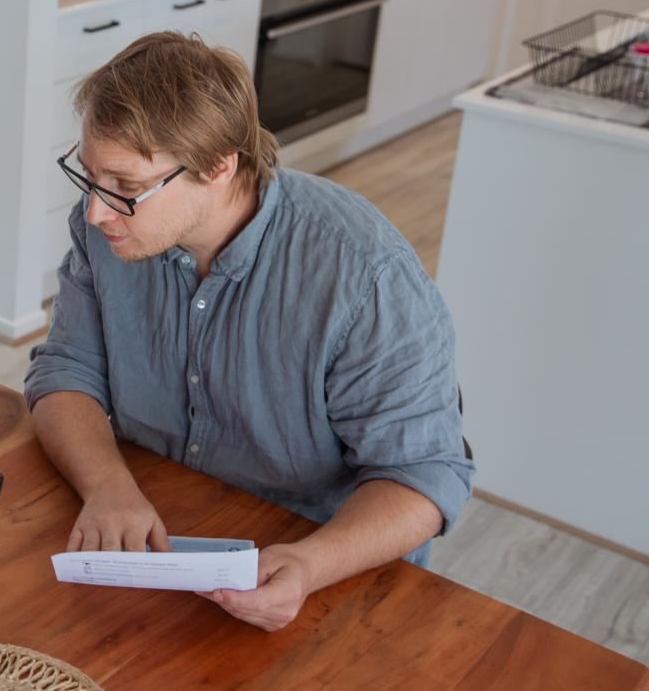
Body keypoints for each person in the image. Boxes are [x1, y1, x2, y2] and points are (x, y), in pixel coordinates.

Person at [24, 31, 474, 632]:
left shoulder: (363, 275)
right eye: (90, 176)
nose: (95, 211)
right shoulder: (111, 232)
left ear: (217, 165)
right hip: (152, 528)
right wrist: (107, 487)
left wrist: (310, 565)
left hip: (317, 569)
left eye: (126, 187)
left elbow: (425, 475)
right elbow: (65, 370)